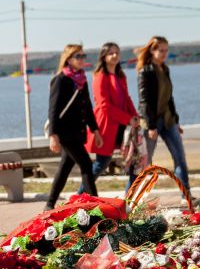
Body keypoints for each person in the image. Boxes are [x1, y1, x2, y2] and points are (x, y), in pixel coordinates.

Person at [135, 36, 194, 203]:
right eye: (160, 50)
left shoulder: (165, 69)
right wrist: (152, 126)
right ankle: (134, 199)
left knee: (180, 159)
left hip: (168, 121)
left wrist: (176, 121)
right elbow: (144, 101)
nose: (164, 54)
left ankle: (187, 197)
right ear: (152, 51)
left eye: (166, 50)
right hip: (151, 123)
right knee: (145, 164)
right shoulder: (145, 71)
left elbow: (169, 97)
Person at [45, 44, 103, 211]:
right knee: (86, 165)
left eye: (83, 56)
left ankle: (49, 203)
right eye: (78, 56)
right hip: (65, 133)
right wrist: (53, 135)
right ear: (69, 59)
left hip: (78, 132)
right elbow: (53, 109)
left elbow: (88, 107)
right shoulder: (60, 79)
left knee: (65, 168)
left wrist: (95, 130)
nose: (82, 59)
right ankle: (95, 204)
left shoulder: (81, 79)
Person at [79, 42, 140, 193]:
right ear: (104, 57)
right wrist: (128, 119)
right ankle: (79, 196)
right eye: (111, 53)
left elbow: (126, 98)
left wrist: (135, 117)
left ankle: (128, 199)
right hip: (106, 124)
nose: (115, 55)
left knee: (135, 160)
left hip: (122, 124)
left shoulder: (120, 76)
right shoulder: (100, 77)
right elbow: (104, 105)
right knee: (102, 163)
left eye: (117, 52)